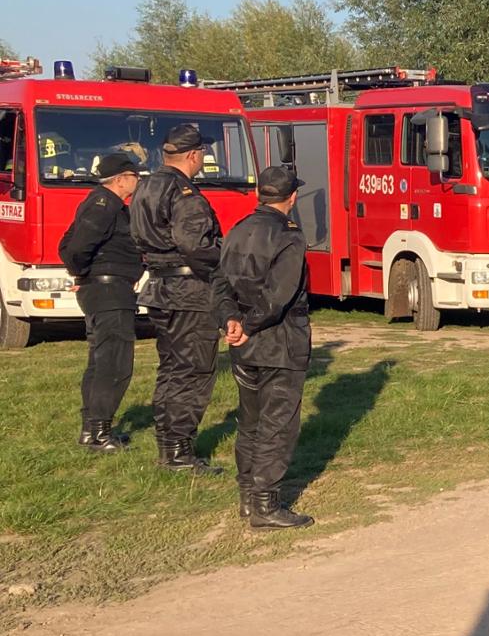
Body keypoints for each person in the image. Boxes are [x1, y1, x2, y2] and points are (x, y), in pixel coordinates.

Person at [213, 166, 315, 529]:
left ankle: (246, 496)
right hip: (280, 340)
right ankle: (265, 505)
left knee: (250, 420)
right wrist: (249, 323)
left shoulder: (238, 229)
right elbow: (278, 297)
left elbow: (220, 284)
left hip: (244, 340)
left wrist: (232, 321)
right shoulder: (289, 237)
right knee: (278, 424)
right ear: (292, 197)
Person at [130, 124, 226, 474]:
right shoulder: (184, 192)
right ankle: (179, 451)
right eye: (203, 153)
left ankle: (168, 443)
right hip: (189, 291)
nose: (203, 159)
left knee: (171, 368)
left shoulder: (146, 185)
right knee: (193, 370)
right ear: (193, 155)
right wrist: (226, 256)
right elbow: (195, 245)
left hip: (159, 287)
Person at [58, 151, 142, 452]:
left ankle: (90, 429)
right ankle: (100, 432)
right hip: (108, 292)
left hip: (104, 290)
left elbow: (67, 242)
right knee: (115, 363)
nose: (138, 180)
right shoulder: (104, 205)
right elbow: (76, 247)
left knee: (99, 361)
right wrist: (84, 272)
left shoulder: (105, 204)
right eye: (134, 176)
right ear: (120, 180)